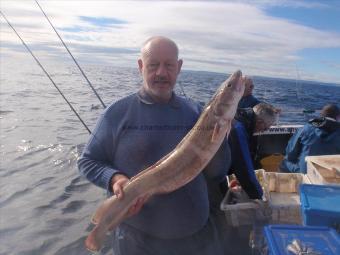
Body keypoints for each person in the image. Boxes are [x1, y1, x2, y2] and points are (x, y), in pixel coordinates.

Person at [78, 36, 230, 255]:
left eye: (168, 65)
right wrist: (114, 179)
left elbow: (218, 172)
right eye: (153, 65)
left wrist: (222, 136)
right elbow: (88, 161)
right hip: (137, 241)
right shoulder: (117, 113)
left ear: (179, 68)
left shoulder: (197, 113)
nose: (161, 72)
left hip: (197, 236)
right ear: (141, 66)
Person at [227, 103, 278, 199]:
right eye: (266, 128)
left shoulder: (241, 116)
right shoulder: (238, 128)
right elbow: (243, 166)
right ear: (259, 122)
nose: (264, 131)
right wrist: (259, 196)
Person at [280, 104, 340, 174]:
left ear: (321, 116)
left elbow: (291, 154)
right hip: (332, 173)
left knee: (285, 162)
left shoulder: (305, 128)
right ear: (338, 117)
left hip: (306, 173)